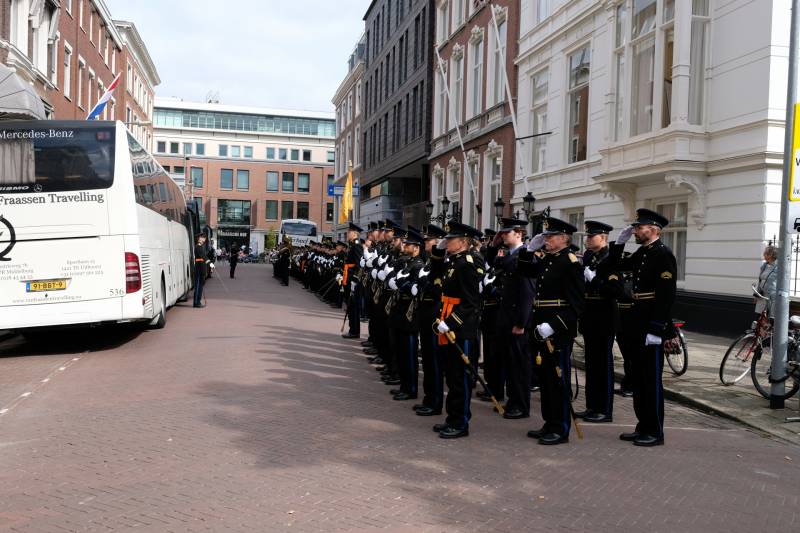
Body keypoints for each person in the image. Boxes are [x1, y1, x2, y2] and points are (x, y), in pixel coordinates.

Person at [612, 208, 677, 447]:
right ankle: (642, 425)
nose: (635, 230)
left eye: (639, 227)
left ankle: (655, 431)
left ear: (654, 229)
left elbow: (666, 296)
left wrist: (657, 328)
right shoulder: (643, 252)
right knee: (638, 379)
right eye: (635, 227)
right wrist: (619, 244)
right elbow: (616, 266)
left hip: (650, 324)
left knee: (651, 381)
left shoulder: (663, 254)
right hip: (635, 322)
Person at [518, 217, 584, 445]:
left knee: (558, 380)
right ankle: (549, 422)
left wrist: (553, 326)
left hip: (557, 330)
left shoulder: (571, 262)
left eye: (550, 236)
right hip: (540, 326)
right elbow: (524, 270)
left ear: (564, 238)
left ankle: (561, 428)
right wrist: (528, 250)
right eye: (545, 236)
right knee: (545, 380)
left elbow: (576, 305)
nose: (546, 239)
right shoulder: (548, 259)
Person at [430, 221, 485, 439]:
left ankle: (461, 422)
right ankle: (452, 417)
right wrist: (438, 250)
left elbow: (471, 302)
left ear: (463, 242)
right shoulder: (454, 261)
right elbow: (436, 272)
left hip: (461, 329)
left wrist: (452, 322)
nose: (447, 241)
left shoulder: (467, 264)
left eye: (450, 239)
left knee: (460, 377)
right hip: (449, 323)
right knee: (451, 375)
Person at [485, 218, 536, 420]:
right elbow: (492, 261)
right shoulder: (510, 255)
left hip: (517, 320)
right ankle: (513, 401)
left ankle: (521, 406)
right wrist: (494, 244)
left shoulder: (525, 257)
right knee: (508, 362)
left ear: (519, 233)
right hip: (506, 317)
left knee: (519, 365)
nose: (503, 235)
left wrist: (521, 323)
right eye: (502, 233)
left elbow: (527, 293)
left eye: (507, 233)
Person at [576, 220, 617, 423]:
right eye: (587, 236)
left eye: (592, 236)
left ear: (603, 238)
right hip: (590, 315)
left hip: (604, 315)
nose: (588, 239)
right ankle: (592, 405)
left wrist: (594, 280)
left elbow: (614, 290)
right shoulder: (589, 256)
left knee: (603, 365)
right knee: (591, 365)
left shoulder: (611, 258)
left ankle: (604, 409)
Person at [342, 223, 364, 339]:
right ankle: (352, 329)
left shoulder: (357, 246)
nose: (347, 233)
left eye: (349, 232)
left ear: (355, 233)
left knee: (353, 306)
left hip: (353, 281)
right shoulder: (352, 245)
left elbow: (359, 265)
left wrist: (355, 280)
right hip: (348, 278)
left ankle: (355, 331)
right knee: (350, 306)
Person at [756, 245, 778, 318]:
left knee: (769, 318)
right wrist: (756, 294)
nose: (763, 255)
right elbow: (760, 280)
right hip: (762, 295)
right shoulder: (764, 266)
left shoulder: (778, 267)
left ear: (770, 255)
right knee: (759, 317)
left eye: (765, 253)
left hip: (771, 297)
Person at [193, 234, 208, 308]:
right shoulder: (198, 247)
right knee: (198, 286)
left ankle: (198, 301)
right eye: (203, 238)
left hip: (201, 268)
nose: (204, 240)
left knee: (200, 286)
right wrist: (209, 263)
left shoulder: (201, 247)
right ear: (199, 239)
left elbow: (204, 257)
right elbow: (203, 257)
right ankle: (196, 302)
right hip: (199, 268)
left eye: (204, 238)